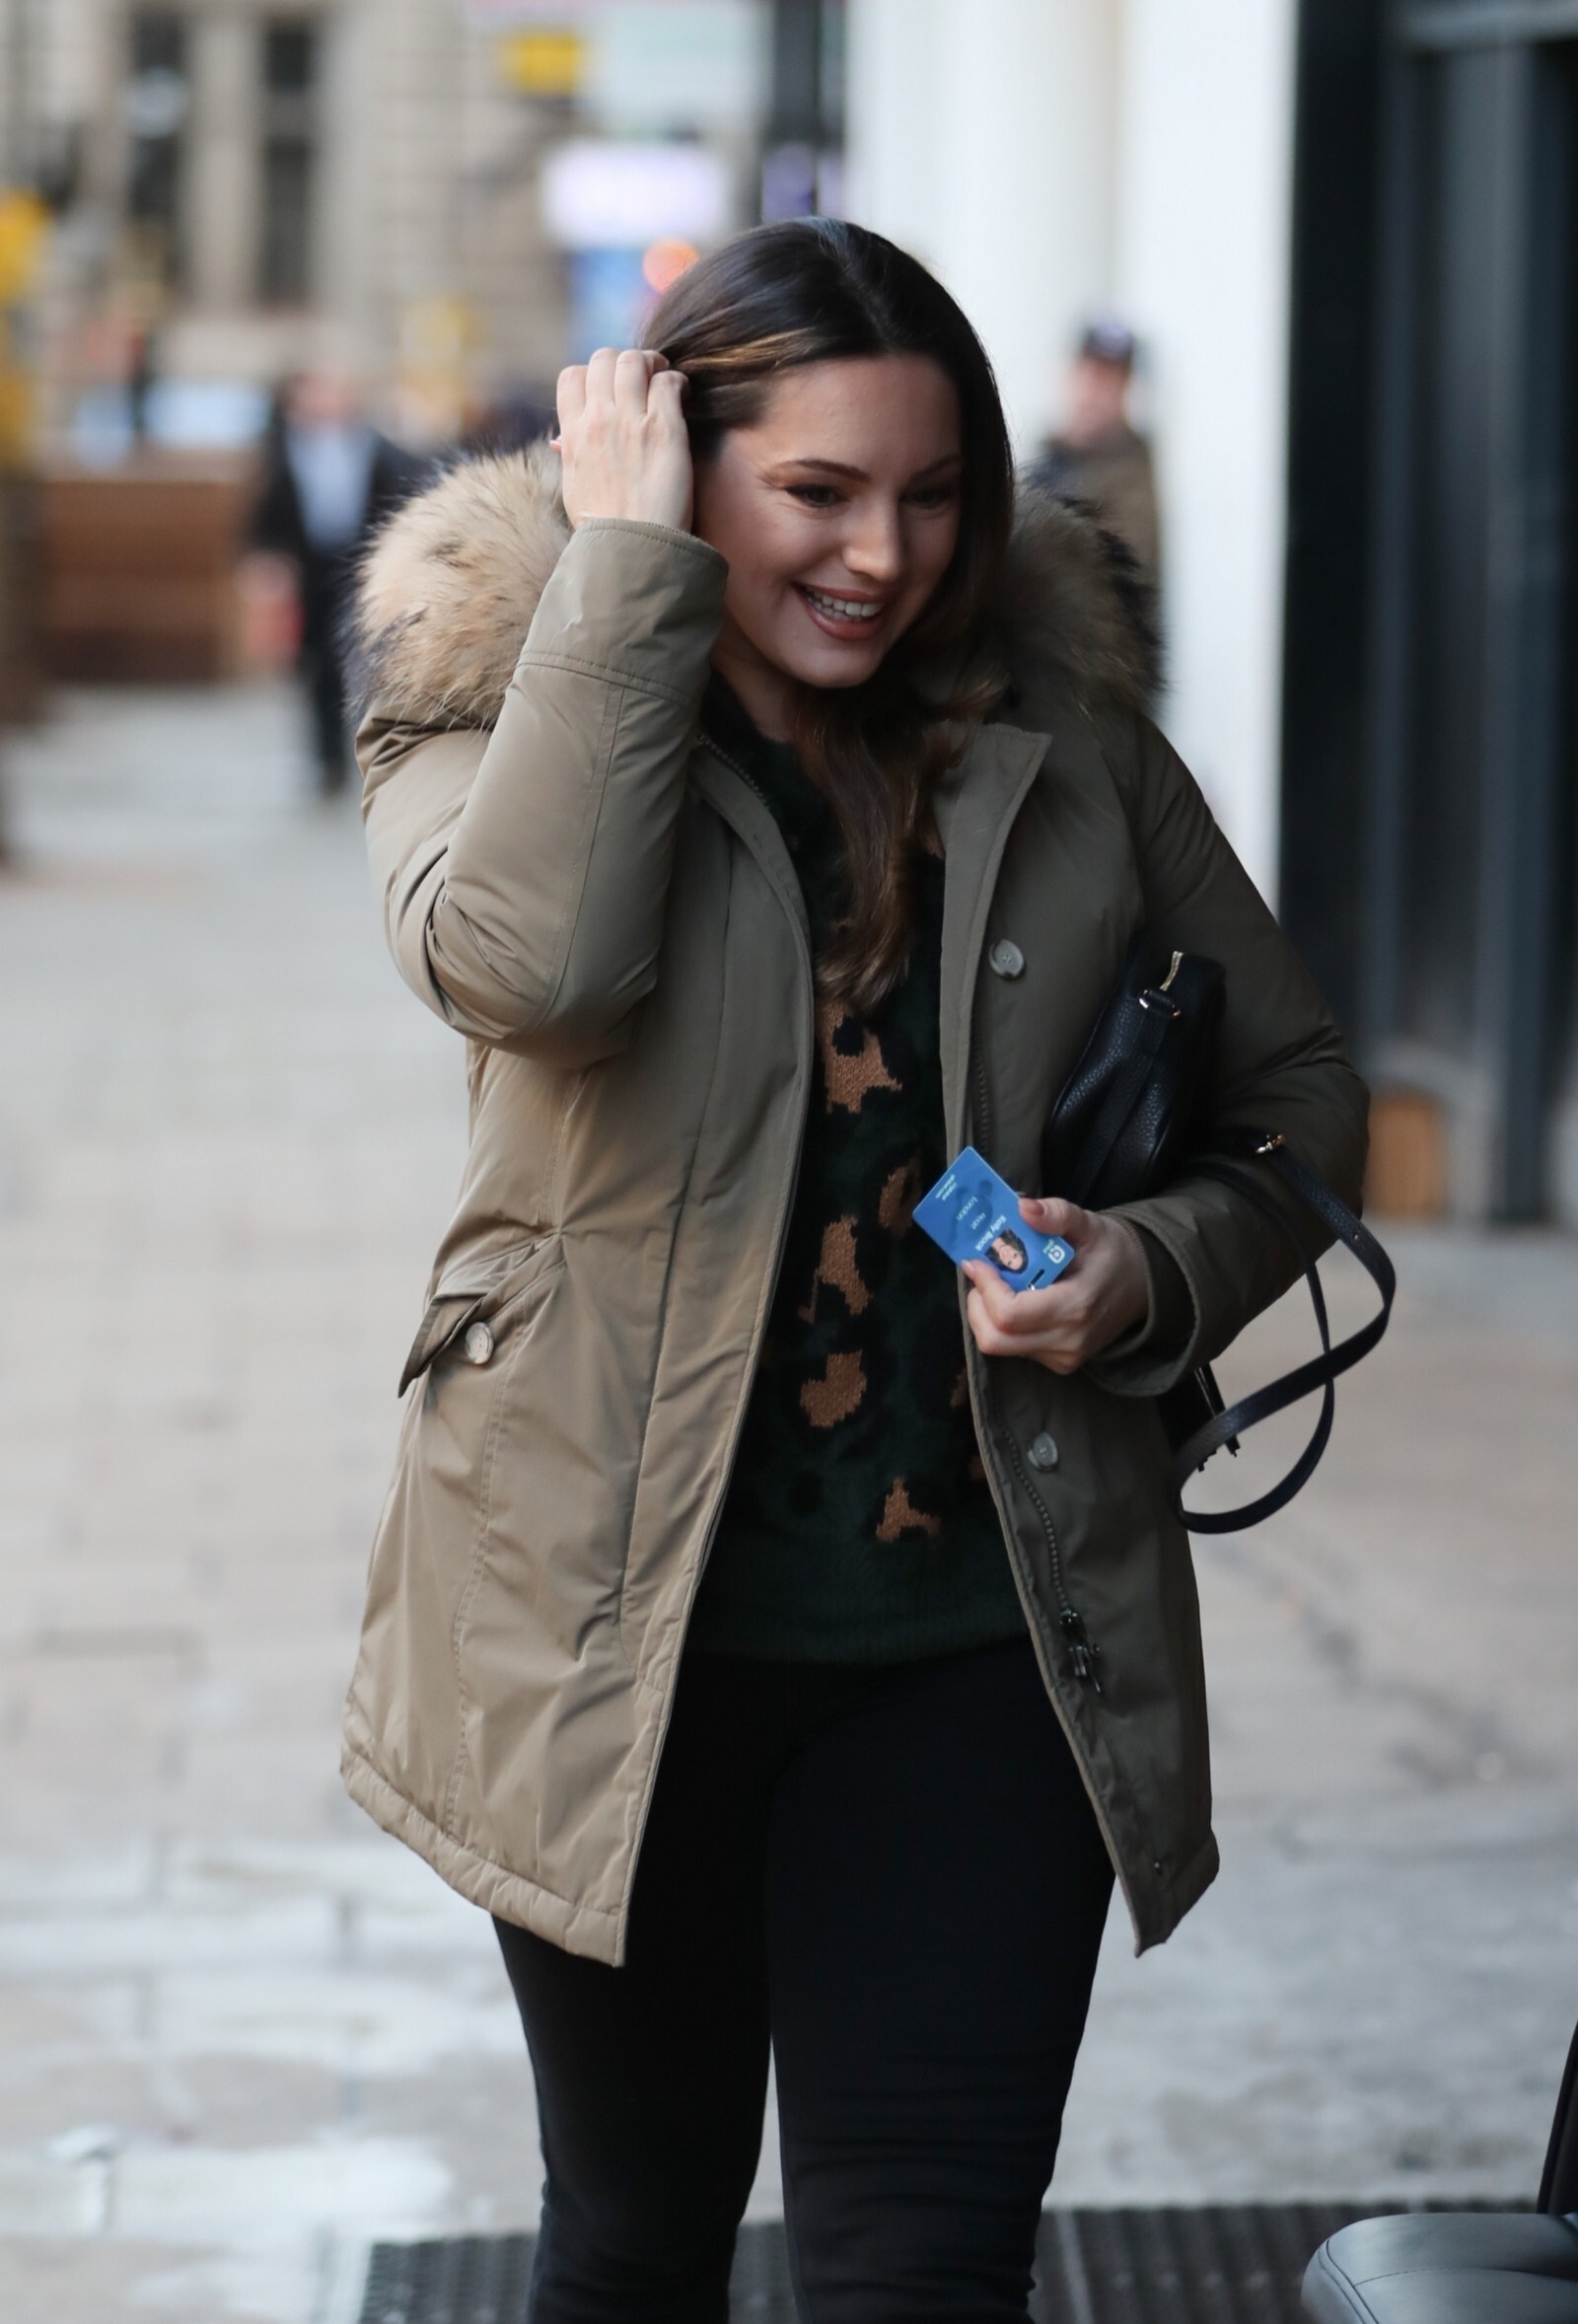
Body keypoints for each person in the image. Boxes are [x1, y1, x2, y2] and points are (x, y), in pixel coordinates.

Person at [344, 221, 1366, 2320]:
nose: (881, 554)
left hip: (983, 1638)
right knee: (634, 2240)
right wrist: (625, 585)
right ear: (672, 456)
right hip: (610, 1640)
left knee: (923, 2276)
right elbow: (530, 968)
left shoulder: (1066, 738)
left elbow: (1299, 1097)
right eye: (816, 490)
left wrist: (1148, 1265)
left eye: (931, 494)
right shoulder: (491, 690)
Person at [249, 368, 423, 794]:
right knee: (317, 666)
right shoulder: (282, 449)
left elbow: (403, 499)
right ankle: (326, 760)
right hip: (310, 568)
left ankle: (364, 750)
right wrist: (267, 559)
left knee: (362, 662)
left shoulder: (377, 449)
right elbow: (264, 517)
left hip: (363, 568)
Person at [1031, 315, 1160, 583]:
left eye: (1110, 382)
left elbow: (1117, 568)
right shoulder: (1047, 460)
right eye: (1091, 376)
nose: (1096, 394)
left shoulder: (1133, 474)